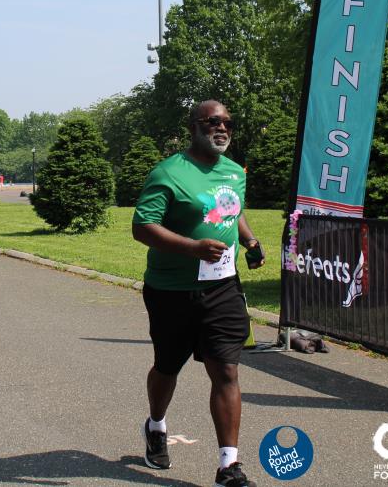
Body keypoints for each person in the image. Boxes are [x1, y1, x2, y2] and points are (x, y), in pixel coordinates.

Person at [132, 100, 265, 487]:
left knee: (226, 369)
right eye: (213, 122)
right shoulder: (169, 173)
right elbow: (142, 226)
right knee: (167, 367)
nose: (222, 128)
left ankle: (228, 466)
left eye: (228, 123)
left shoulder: (234, 172)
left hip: (222, 288)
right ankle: (156, 425)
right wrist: (192, 248)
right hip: (172, 290)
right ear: (193, 126)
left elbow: (233, 210)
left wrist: (250, 241)